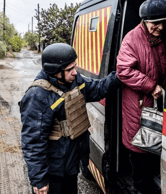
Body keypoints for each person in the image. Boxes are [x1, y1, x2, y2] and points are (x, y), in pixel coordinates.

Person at [20, 43, 120, 194]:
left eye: (74, 67)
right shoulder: (37, 96)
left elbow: (99, 88)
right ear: (55, 71)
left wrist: (122, 73)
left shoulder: (74, 81)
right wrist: (39, 180)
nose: (74, 72)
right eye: (69, 70)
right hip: (52, 172)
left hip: (71, 167)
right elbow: (33, 142)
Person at [117, 0, 166, 194]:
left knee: (154, 149)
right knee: (140, 152)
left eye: (164, 23)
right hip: (138, 105)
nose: (160, 27)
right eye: (155, 23)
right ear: (145, 21)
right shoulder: (132, 39)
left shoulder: (163, 38)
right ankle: (139, 189)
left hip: (157, 103)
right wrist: (151, 86)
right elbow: (123, 70)